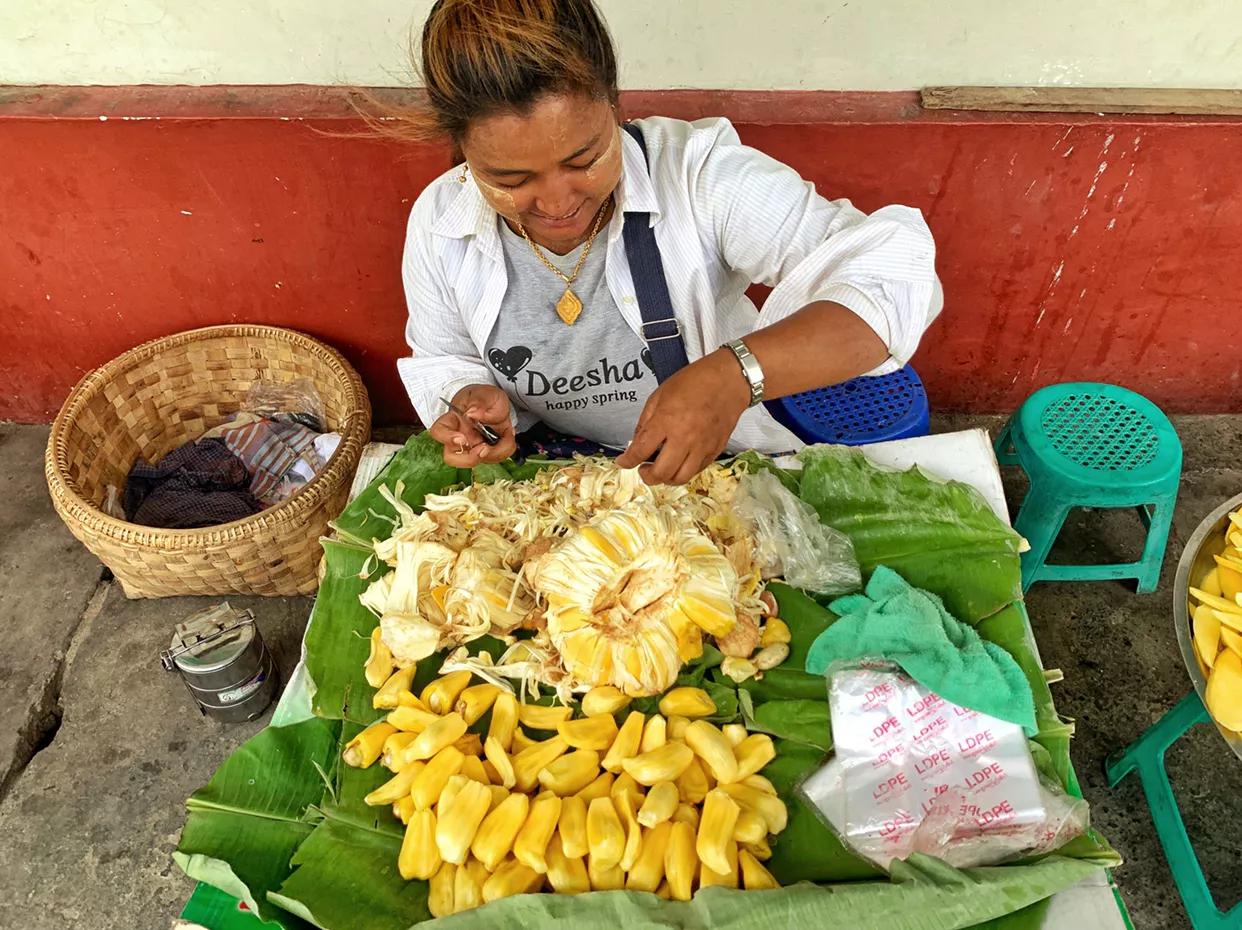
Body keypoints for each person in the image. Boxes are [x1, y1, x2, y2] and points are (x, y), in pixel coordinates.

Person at [395, 0, 942, 485]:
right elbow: (443, 355)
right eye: (511, 181)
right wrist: (470, 400)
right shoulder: (441, 222)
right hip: (556, 473)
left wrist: (734, 375)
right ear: (463, 150)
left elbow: (894, 271)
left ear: (615, 107)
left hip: (722, 466)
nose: (559, 202)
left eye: (584, 160)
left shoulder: (696, 176)